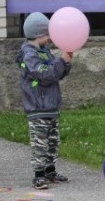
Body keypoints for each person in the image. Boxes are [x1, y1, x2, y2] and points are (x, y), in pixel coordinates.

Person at [16, 12, 73, 190]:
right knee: (40, 143)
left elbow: (56, 73)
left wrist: (66, 63)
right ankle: (38, 175)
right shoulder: (29, 55)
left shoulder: (44, 51)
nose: (50, 37)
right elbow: (45, 74)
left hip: (51, 106)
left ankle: (50, 170)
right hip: (38, 107)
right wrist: (60, 62)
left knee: (52, 142)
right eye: (48, 33)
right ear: (39, 34)